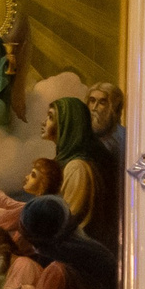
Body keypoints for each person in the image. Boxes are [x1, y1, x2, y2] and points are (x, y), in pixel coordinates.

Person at [44, 94, 120, 253]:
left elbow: (68, 220)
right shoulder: (63, 162)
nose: (43, 122)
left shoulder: (76, 168)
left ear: (67, 124)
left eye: (50, 117)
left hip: (72, 253)